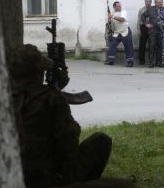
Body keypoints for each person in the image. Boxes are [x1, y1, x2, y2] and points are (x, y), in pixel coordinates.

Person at [10, 44, 112, 188]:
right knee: (102, 140)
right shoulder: (51, 99)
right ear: (40, 72)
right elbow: (69, 146)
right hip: (47, 176)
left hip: (9, 172)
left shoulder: (2, 98)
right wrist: (56, 92)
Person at [105, 1, 135, 67]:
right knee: (112, 45)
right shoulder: (112, 13)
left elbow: (122, 19)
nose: (119, 7)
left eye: (120, 6)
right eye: (118, 6)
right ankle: (110, 60)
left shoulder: (123, 12)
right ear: (114, 7)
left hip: (125, 31)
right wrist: (109, 20)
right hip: (116, 32)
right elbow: (110, 24)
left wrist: (112, 16)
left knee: (128, 47)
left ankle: (130, 62)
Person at [141, 0, 164, 68]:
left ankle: (159, 62)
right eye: (159, 2)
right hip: (152, 31)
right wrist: (146, 24)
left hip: (161, 30)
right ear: (155, 3)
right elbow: (143, 16)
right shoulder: (150, 9)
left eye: (161, 2)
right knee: (152, 46)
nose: (161, 3)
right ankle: (151, 63)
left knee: (160, 47)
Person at [138, 0, 152, 65]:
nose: (147, 2)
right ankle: (141, 60)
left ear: (151, 2)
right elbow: (139, 20)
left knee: (151, 45)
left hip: (151, 28)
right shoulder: (141, 10)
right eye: (146, 1)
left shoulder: (153, 9)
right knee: (142, 45)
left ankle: (151, 60)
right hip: (143, 28)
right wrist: (138, 29)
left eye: (149, 1)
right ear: (144, 2)